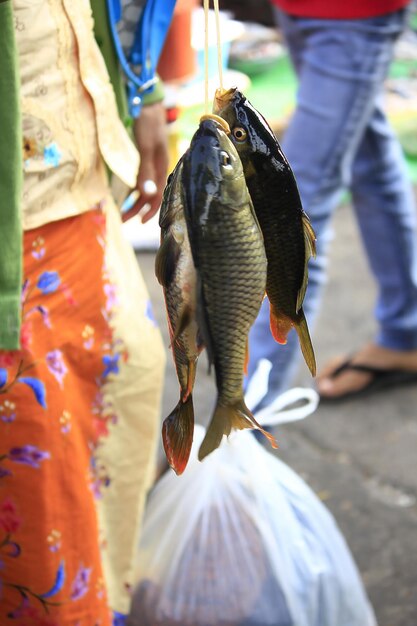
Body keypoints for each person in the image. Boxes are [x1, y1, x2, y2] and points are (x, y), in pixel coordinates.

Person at [0, 1, 175, 624]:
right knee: (37, 485)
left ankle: (102, 608)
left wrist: (140, 83)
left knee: (127, 389)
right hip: (14, 240)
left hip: (83, 195)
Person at [245, 0, 417, 408]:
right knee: (369, 159)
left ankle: (247, 416)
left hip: (354, 14)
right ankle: (407, 333)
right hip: (302, 9)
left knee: (292, 205)